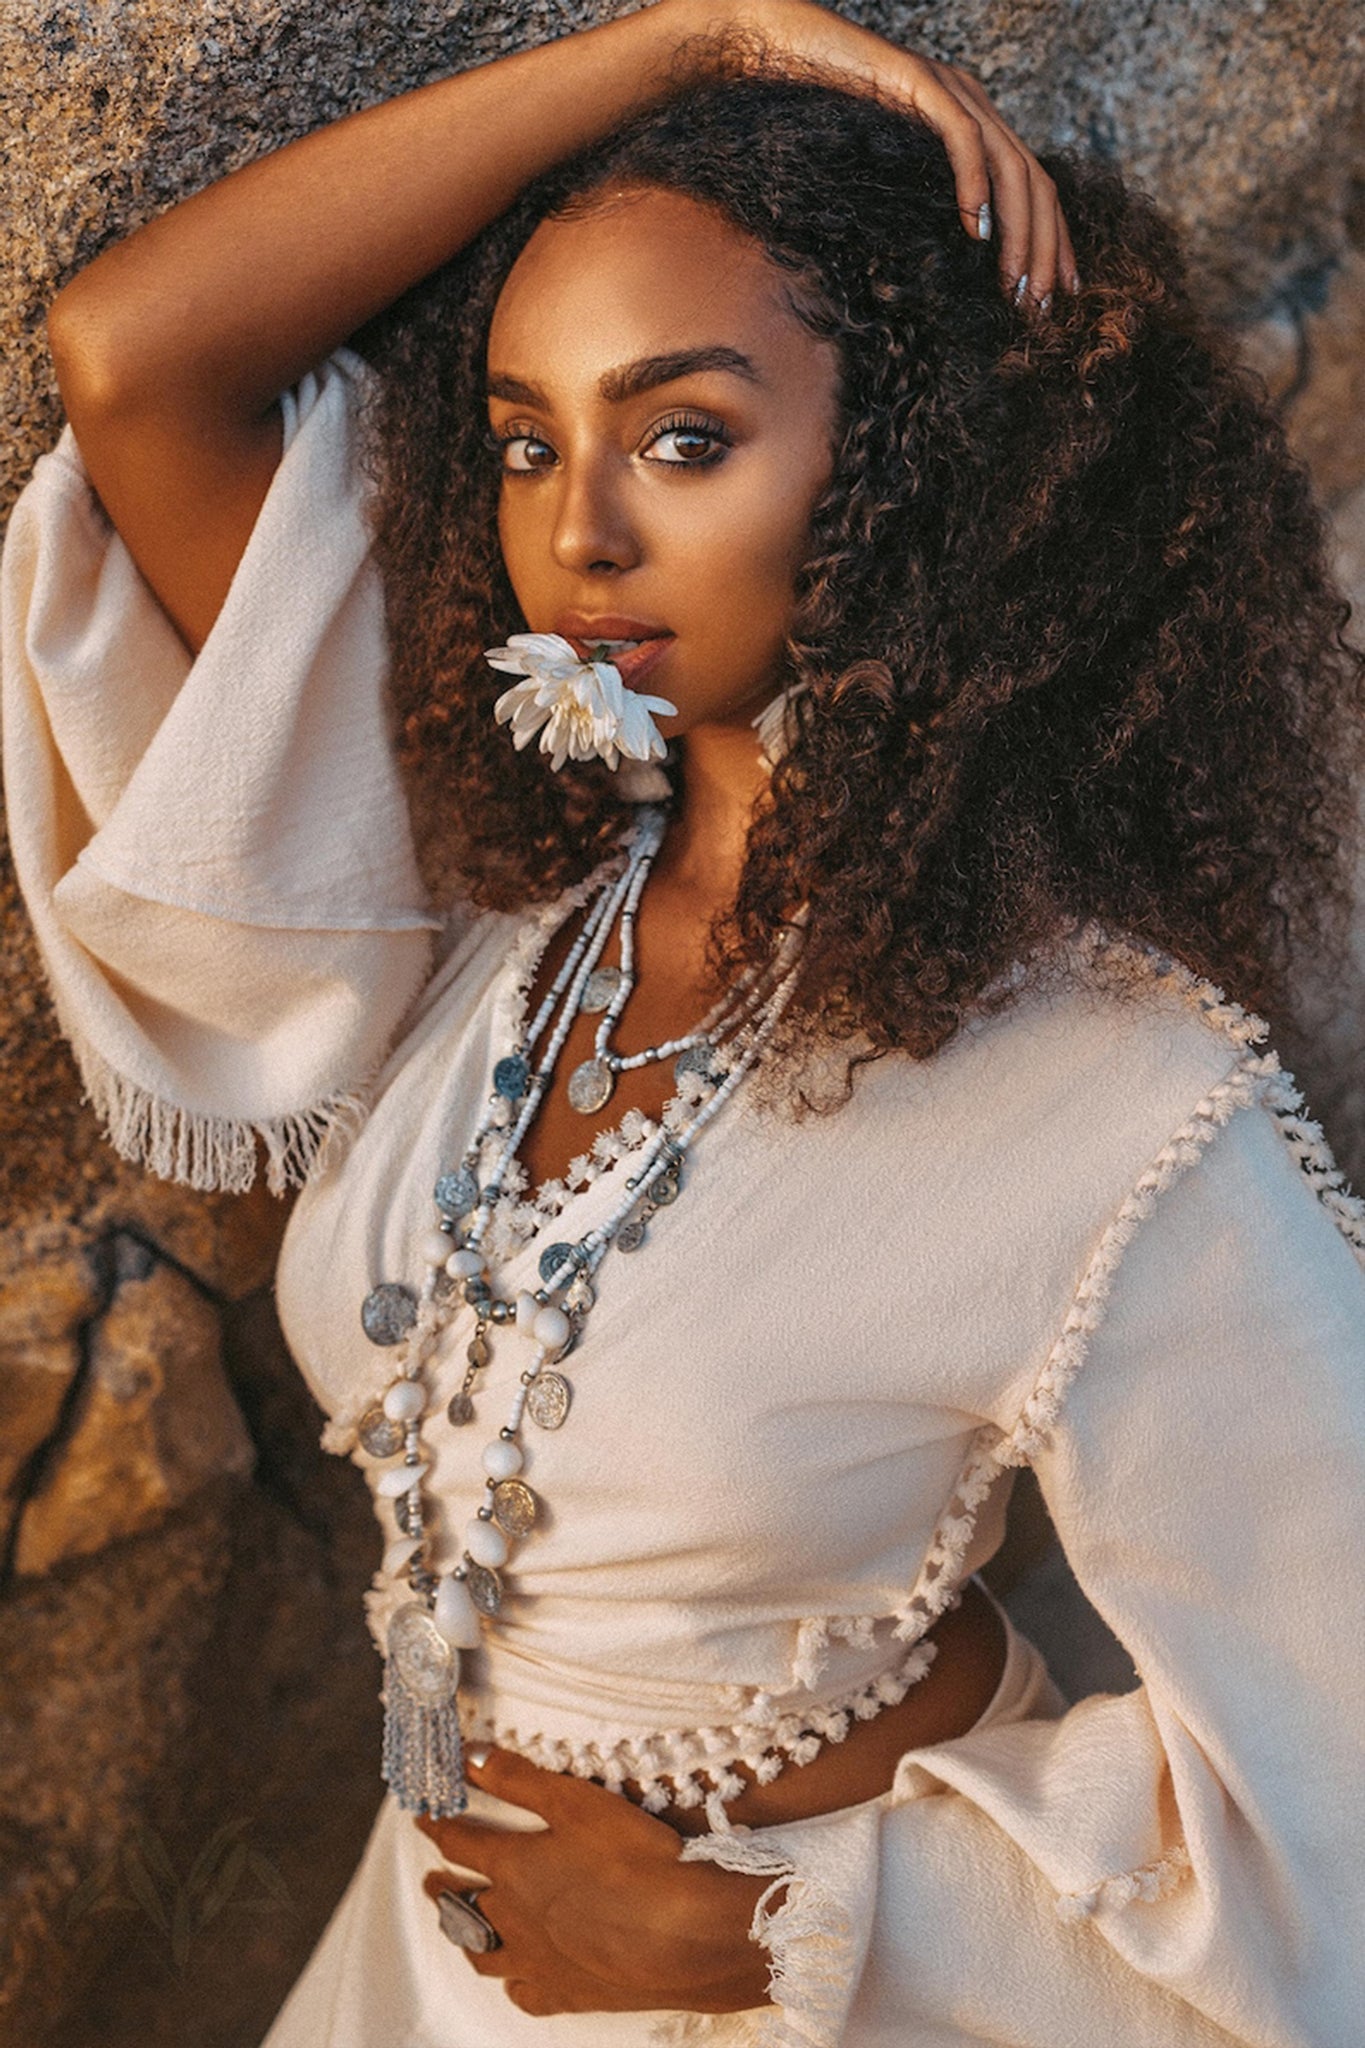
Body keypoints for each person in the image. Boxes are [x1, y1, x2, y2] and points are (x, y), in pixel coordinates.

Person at [3, 1, 1364, 2042]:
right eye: (528, 438)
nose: (579, 535)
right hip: (420, 1965)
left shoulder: (1123, 1101)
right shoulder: (509, 886)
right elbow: (137, 360)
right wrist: (686, 45)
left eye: (686, 436)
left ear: (920, 458)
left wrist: (784, 1927)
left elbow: (1335, 1789)